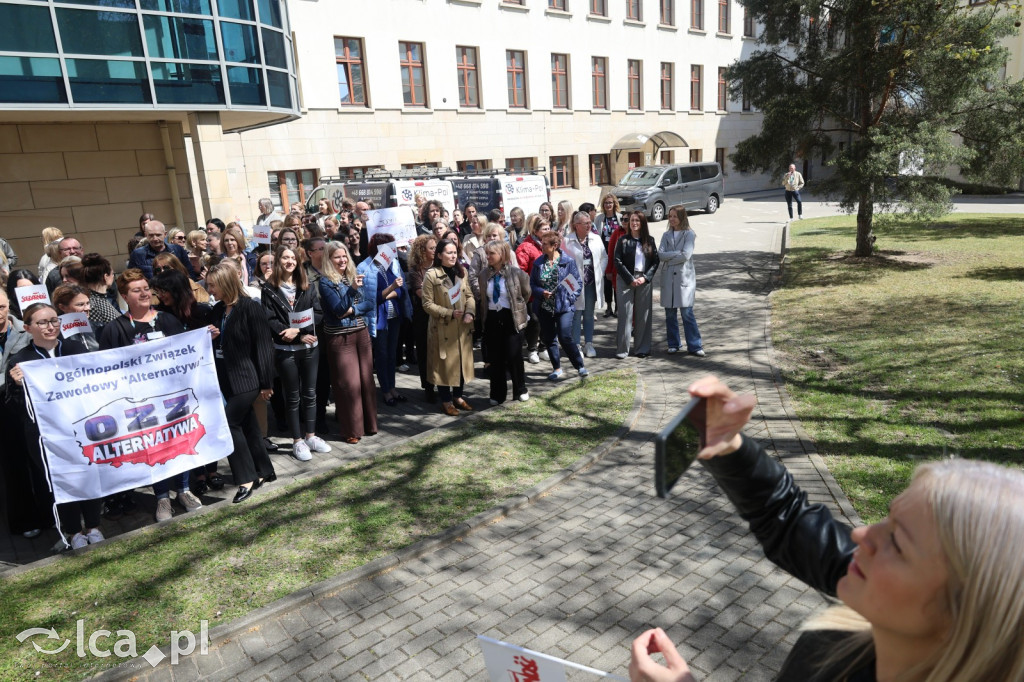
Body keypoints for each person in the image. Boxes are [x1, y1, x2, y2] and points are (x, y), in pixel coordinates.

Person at [629, 375, 1024, 682]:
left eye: (897, 543)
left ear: (963, 615)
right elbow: (788, 519)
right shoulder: (868, 616)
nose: (860, 536)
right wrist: (729, 445)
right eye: (887, 518)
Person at [98, 270, 200, 521]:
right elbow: (106, 368)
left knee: (181, 440)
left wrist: (204, 340)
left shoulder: (168, 320)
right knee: (154, 448)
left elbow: (186, 352)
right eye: (137, 290)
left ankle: (184, 491)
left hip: (173, 396)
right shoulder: (116, 328)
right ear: (124, 295)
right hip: (141, 403)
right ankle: (162, 498)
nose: (144, 293)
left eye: (146, 288)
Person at [5, 303, 103, 549]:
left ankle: (93, 525)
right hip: (45, 436)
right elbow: (13, 408)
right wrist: (17, 387)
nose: (50, 327)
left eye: (54, 321)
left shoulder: (74, 349)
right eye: (42, 322)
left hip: (81, 428)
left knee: (89, 473)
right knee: (60, 481)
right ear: (28, 328)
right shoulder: (20, 361)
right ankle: (72, 531)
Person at [206, 264, 276, 503]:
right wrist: (213, 338)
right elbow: (216, 345)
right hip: (226, 378)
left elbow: (263, 346)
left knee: (230, 424)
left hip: (248, 378)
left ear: (225, 284)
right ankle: (265, 470)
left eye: (212, 285)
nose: (209, 290)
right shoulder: (216, 310)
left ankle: (245, 478)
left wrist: (267, 382)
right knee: (248, 425)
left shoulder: (250, 308)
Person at [262, 245, 332, 461]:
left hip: (310, 348)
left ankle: (311, 436)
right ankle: (297, 441)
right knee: (292, 397)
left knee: (310, 394)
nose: (289, 261)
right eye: (285, 257)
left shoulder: (307, 286)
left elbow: (318, 313)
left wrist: (300, 331)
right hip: (286, 350)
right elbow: (270, 320)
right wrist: (294, 334)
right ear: (278, 261)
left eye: (293, 258)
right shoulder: (269, 289)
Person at [319, 242, 377, 444]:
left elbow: (370, 303)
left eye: (344, 256)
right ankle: (351, 430)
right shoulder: (325, 282)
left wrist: (352, 310)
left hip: (361, 333)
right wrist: (352, 291)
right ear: (329, 259)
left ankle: (369, 425)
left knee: (366, 382)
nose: (342, 260)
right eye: (337, 257)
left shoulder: (353, 275)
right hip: (340, 337)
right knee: (348, 385)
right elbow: (337, 310)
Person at [422, 239, 476, 416]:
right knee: (444, 365)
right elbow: (427, 304)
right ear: (439, 255)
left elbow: (469, 296)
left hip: (462, 327)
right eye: (449, 253)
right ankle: (445, 401)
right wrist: (448, 313)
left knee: (460, 363)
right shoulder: (431, 275)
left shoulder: (462, 272)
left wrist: (470, 313)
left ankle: (458, 397)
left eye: (455, 252)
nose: (453, 256)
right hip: (442, 328)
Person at [357, 233, 410, 407]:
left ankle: (393, 388)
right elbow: (371, 299)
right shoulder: (365, 267)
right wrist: (392, 289)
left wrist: (392, 291)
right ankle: (386, 391)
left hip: (394, 316)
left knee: (392, 353)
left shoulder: (392, 264)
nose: (392, 251)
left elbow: (401, 291)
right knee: (381, 354)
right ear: (378, 249)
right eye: (388, 247)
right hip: (378, 319)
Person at [530, 232, 588, 381]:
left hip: (564, 306)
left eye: (544, 244)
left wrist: (570, 298)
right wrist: (541, 292)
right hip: (545, 307)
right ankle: (556, 368)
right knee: (549, 338)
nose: (541, 246)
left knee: (565, 336)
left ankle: (579, 366)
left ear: (554, 246)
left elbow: (577, 284)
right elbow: (533, 284)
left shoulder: (567, 262)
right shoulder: (538, 263)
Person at [479, 240, 530, 405]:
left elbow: (526, 294)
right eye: (487, 254)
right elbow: (483, 298)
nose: (488, 257)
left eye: (492, 254)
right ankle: (497, 394)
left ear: (502, 255)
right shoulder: (484, 275)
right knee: (495, 357)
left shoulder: (516, 273)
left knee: (514, 355)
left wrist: (517, 309)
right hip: (493, 318)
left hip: (511, 318)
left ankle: (520, 389)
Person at [658, 206, 705, 357]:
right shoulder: (666, 235)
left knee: (687, 313)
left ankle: (695, 345)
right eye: (670, 216)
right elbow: (660, 255)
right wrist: (675, 254)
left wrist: (670, 257)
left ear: (682, 217)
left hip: (684, 279)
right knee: (670, 314)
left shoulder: (689, 234)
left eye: (675, 216)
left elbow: (686, 255)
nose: (671, 219)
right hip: (668, 278)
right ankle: (673, 344)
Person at [614, 212, 660, 359]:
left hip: (643, 280)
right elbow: (617, 261)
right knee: (625, 315)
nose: (634, 223)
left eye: (637, 220)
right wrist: (630, 278)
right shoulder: (623, 240)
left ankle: (642, 349)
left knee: (643, 315)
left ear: (642, 223)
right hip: (626, 280)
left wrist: (645, 278)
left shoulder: (649, 241)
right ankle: (622, 350)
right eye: (632, 220)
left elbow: (655, 261)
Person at [562, 210, 607, 358]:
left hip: (591, 284)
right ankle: (576, 345)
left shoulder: (595, 238)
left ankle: (589, 343)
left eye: (590, 223)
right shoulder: (567, 241)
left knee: (588, 314)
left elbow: (604, 257)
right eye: (585, 223)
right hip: (573, 286)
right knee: (576, 315)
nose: (589, 226)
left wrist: (599, 271)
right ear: (576, 225)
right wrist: (569, 282)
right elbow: (561, 264)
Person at [516, 214, 550, 365]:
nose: (548, 231)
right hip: (531, 293)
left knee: (547, 319)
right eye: (544, 229)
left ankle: (543, 347)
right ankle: (532, 349)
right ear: (536, 231)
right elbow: (520, 271)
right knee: (534, 321)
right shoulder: (526, 247)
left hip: (548, 290)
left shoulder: (550, 244)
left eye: (549, 228)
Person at [407, 235, 438, 402]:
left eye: (435, 247)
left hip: (440, 316)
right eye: (431, 248)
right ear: (422, 251)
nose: (435, 250)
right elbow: (422, 294)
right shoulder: (415, 271)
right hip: (423, 318)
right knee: (425, 352)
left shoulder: (440, 266)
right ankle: (428, 387)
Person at [128, 220, 196, 280]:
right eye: (151, 235)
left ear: (165, 234)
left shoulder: (178, 250)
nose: (155, 239)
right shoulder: (137, 254)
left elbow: (189, 274)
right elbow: (131, 278)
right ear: (146, 235)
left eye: (158, 235)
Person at [595, 194, 623, 318]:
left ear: (614, 204)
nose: (608, 205)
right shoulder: (599, 218)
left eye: (610, 202)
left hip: (617, 252)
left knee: (617, 280)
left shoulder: (620, 218)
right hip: (604, 252)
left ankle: (618, 307)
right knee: (607, 281)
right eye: (606, 203)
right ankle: (608, 307)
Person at [52, 284, 99, 351]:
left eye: (88, 303)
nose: (87, 308)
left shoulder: (97, 327)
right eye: (80, 304)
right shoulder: (54, 333)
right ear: (62, 307)